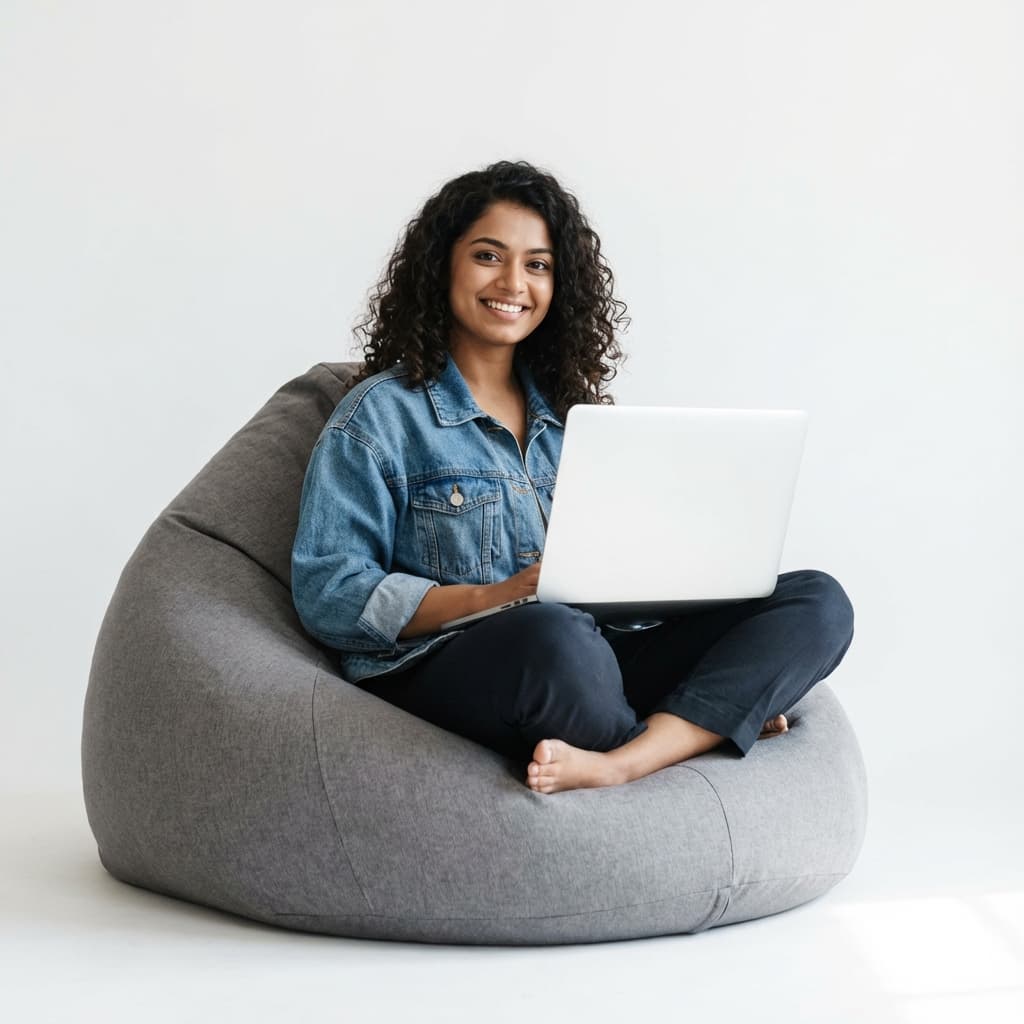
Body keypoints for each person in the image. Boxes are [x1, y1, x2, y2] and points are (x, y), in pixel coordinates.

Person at [291, 159, 854, 795]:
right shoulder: (379, 416)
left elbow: (616, 593)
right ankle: (702, 723)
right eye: (487, 256)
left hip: (596, 656)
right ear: (441, 265)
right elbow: (330, 590)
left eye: (537, 265)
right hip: (476, 663)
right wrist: (495, 595)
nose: (513, 282)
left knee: (817, 599)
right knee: (554, 636)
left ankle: (625, 760)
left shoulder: (572, 421)